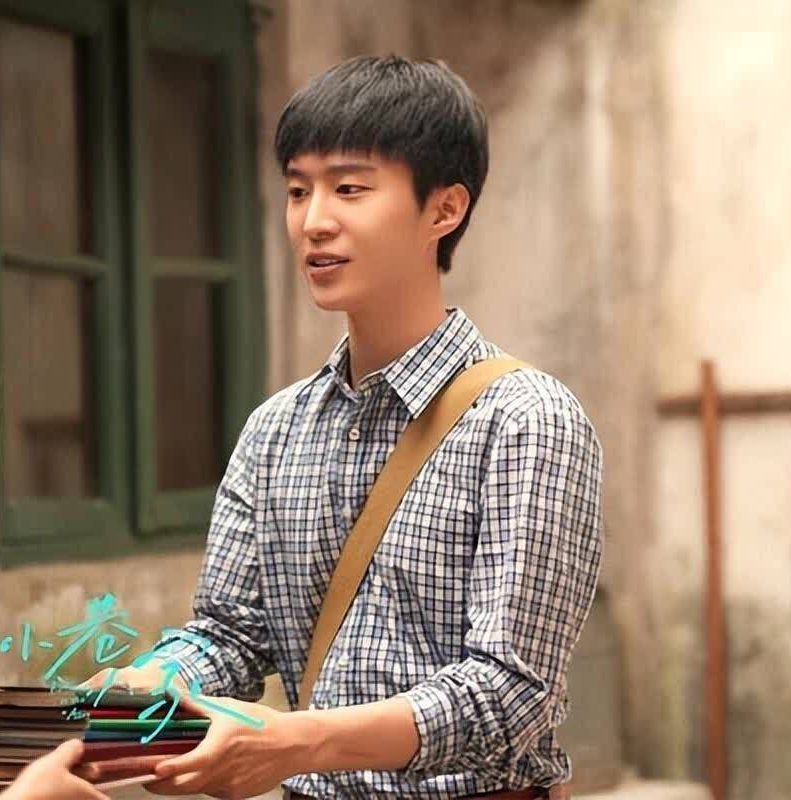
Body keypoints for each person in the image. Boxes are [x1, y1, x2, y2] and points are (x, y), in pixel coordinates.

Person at [87, 55, 602, 799]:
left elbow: (509, 695)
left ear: (443, 210)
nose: (313, 220)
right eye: (298, 190)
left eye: (349, 188)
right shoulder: (275, 430)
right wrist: (156, 684)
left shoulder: (526, 420)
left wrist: (297, 741)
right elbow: (232, 634)